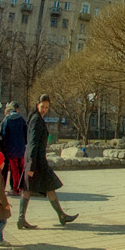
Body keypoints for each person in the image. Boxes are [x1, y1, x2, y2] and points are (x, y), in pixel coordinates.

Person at [18, 94, 77, 229]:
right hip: (36, 161)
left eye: (47, 107)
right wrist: (31, 165)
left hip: (37, 160)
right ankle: (21, 219)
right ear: (37, 104)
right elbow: (32, 143)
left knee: (48, 186)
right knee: (29, 188)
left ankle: (61, 215)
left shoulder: (38, 119)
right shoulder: (36, 120)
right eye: (42, 106)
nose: (44, 109)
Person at [0, 101, 28, 196]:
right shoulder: (21, 119)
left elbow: (4, 135)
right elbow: (26, 134)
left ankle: (15, 188)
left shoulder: (7, 119)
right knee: (20, 168)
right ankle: (20, 187)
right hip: (21, 149)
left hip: (11, 149)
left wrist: (4, 147)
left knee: (14, 169)